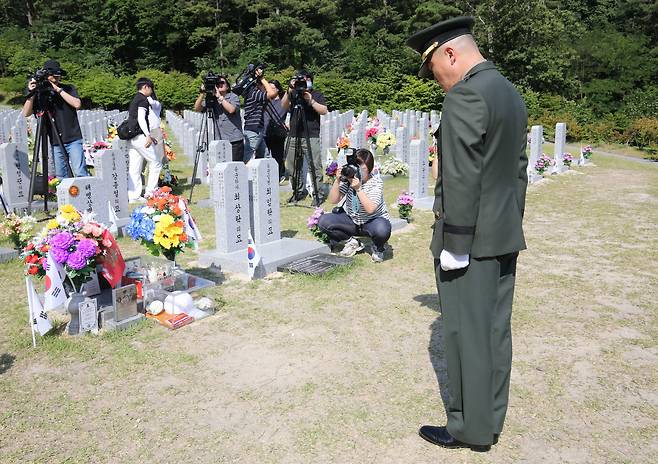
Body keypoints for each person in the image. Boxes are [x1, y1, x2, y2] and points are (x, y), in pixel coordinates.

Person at [406, 17, 528, 452]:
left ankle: (470, 430)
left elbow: (459, 178)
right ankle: (490, 418)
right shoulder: (508, 92)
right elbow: (516, 173)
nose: (437, 81)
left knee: (465, 335)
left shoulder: (465, 96)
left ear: (450, 54)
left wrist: (454, 245)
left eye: (434, 68)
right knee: (494, 331)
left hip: (470, 242)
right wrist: (509, 223)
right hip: (502, 234)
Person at [317, 149, 391, 263]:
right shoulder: (349, 180)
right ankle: (352, 242)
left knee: (382, 229)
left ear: (370, 167)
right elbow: (333, 200)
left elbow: (370, 209)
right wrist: (337, 181)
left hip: (372, 221)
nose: (359, 170)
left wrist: (358, 189)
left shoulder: (376, 183)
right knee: (324, 221)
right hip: (353, 220)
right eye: (356, 166)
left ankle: (378, 247)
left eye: (362, 167)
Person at [21, 59, 89, 178]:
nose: (57, 79)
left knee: (80, 173)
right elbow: (26, 113)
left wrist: (57, 89)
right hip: (55, 141)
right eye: (54, 76)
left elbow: (77, 104)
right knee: (61, 176)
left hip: (73, 138)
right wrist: (31, 94)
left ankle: (85, 196)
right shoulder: (40, 93)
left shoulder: (68, 88)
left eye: (58, 76)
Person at [280, 69, 328, 204]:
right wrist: (289, 89)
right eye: (300, 80)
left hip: (311, 135)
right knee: (292, 165)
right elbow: (283, 106)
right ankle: (298, 191)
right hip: (294, 134)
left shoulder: (316, 94)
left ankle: (318, 194)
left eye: (306, 79)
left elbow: (324, 111)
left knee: (315, 166)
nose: (303, 82)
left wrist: (311, 101)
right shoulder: (293, 93)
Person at [193, 75, 244, 162]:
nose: (219, 85)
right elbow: (197, 108)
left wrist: (219, 97)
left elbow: (231, 110)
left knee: (235, 167)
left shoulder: (233, 96)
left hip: (234, 140)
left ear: (227, 86)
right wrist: (202, 93)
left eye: (222, 83)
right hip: (220, 139)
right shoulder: (212, 99)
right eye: (217, 83)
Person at [127, 77, 162, 202]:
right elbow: (141, 118)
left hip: (132, 137)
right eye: (151, 88)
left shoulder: (135, 98)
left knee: (135, 167)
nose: (151, 91)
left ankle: (133, 196)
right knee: (156, 163)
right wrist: (148, 135)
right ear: (146, 87)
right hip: (141, 137)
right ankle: (151, 193)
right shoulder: (143, 100)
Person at [242, 68, 278, 162]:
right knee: (249, 157)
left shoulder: (251, 94)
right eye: (264, 85)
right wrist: (262, 78)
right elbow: (272, 93)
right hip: (254, 129)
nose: (265, 87)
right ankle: (244, 175)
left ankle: (262, 175)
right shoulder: (255, 94)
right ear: (258, 85)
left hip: (255, 129)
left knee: (264, 156)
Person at [264, 80, 289, 182]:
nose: (269, 90)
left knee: (277, 155)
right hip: (265, 131)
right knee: (264, 155)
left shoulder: (283, 101)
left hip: (278, 132)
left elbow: (293, 113)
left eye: (272, 88)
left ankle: (279, 174)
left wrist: (288, 125)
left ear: (278, 90)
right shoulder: (265, 100)